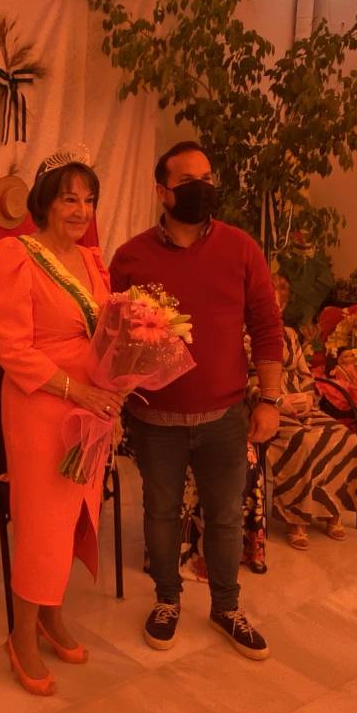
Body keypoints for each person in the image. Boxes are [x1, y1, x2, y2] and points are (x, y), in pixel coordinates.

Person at [110, 141, 282, 658]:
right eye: (188, 181)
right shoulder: (131, 257)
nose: (202, 188)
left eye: (207, 178)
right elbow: (113, 339)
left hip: (224, 417)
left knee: (226, 516)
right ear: (162, 192)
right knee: (160, 514)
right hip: (155, 419)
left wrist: (270, 400)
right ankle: (167, 599)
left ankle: (226, 606)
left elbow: (267, 327)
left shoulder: (241, 248)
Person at [0, 148, 122, 696]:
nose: (81, 210)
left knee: (74, 516)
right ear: (45, 201)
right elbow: (12, 349)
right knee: (42, 524)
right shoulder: (14, 254)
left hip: (91, 408)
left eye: (88, 200)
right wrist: (77, 390)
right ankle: (20, 635)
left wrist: (119, 386)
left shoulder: (91, 260)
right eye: (69, 198)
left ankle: (51, 615)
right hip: (41, 406)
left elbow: (107, 333)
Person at [260, 275, 357, 551]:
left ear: (282, 306)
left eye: (276, 304)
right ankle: (297, 518)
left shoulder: (290, 335)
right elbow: (240, 380)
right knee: (303, 441)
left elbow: (305, 373)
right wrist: (276, 401)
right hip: (265, 407)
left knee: (344, 437)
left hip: (299, 403)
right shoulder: (243, 335)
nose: (272, 308)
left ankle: (331, 509)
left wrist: (306, 397)